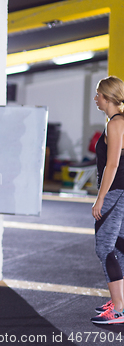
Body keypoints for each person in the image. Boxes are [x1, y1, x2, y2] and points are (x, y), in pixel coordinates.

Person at [91, 76, 124, 324]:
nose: (95, 99)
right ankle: (120, 301)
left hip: (116, 192)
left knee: (105, 247)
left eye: (98, 95)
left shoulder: (115, 124)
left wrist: (100, 199)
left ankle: (120, 309)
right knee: (120, 246)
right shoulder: (120, 121)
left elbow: (112, 164)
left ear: (108, 97)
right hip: (122, 191)